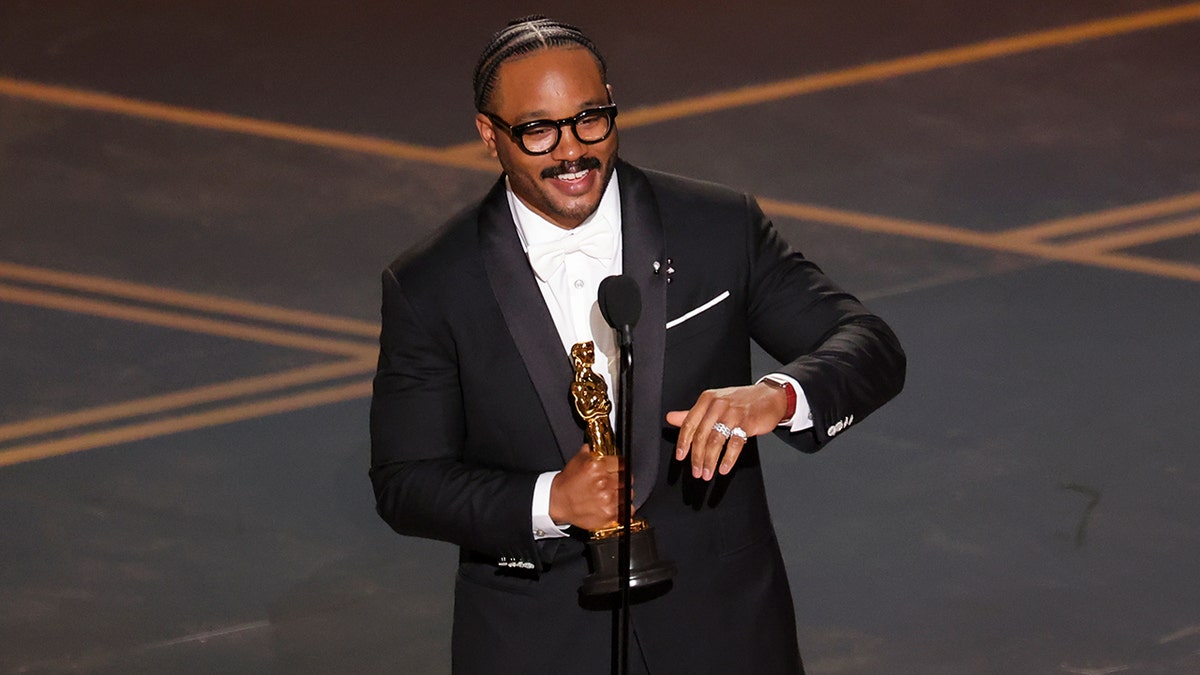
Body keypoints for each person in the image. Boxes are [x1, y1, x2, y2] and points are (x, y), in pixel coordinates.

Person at [370, 15, 905, 674]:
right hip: (537, 640)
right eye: (538, 130)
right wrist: (550, 501)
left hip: (722, 631)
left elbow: (868, 345)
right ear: (489, 135)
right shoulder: (432, 285)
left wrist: (776, 395)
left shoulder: (714, 228)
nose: (572, 151)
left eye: (590, 119)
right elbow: (406, 481)